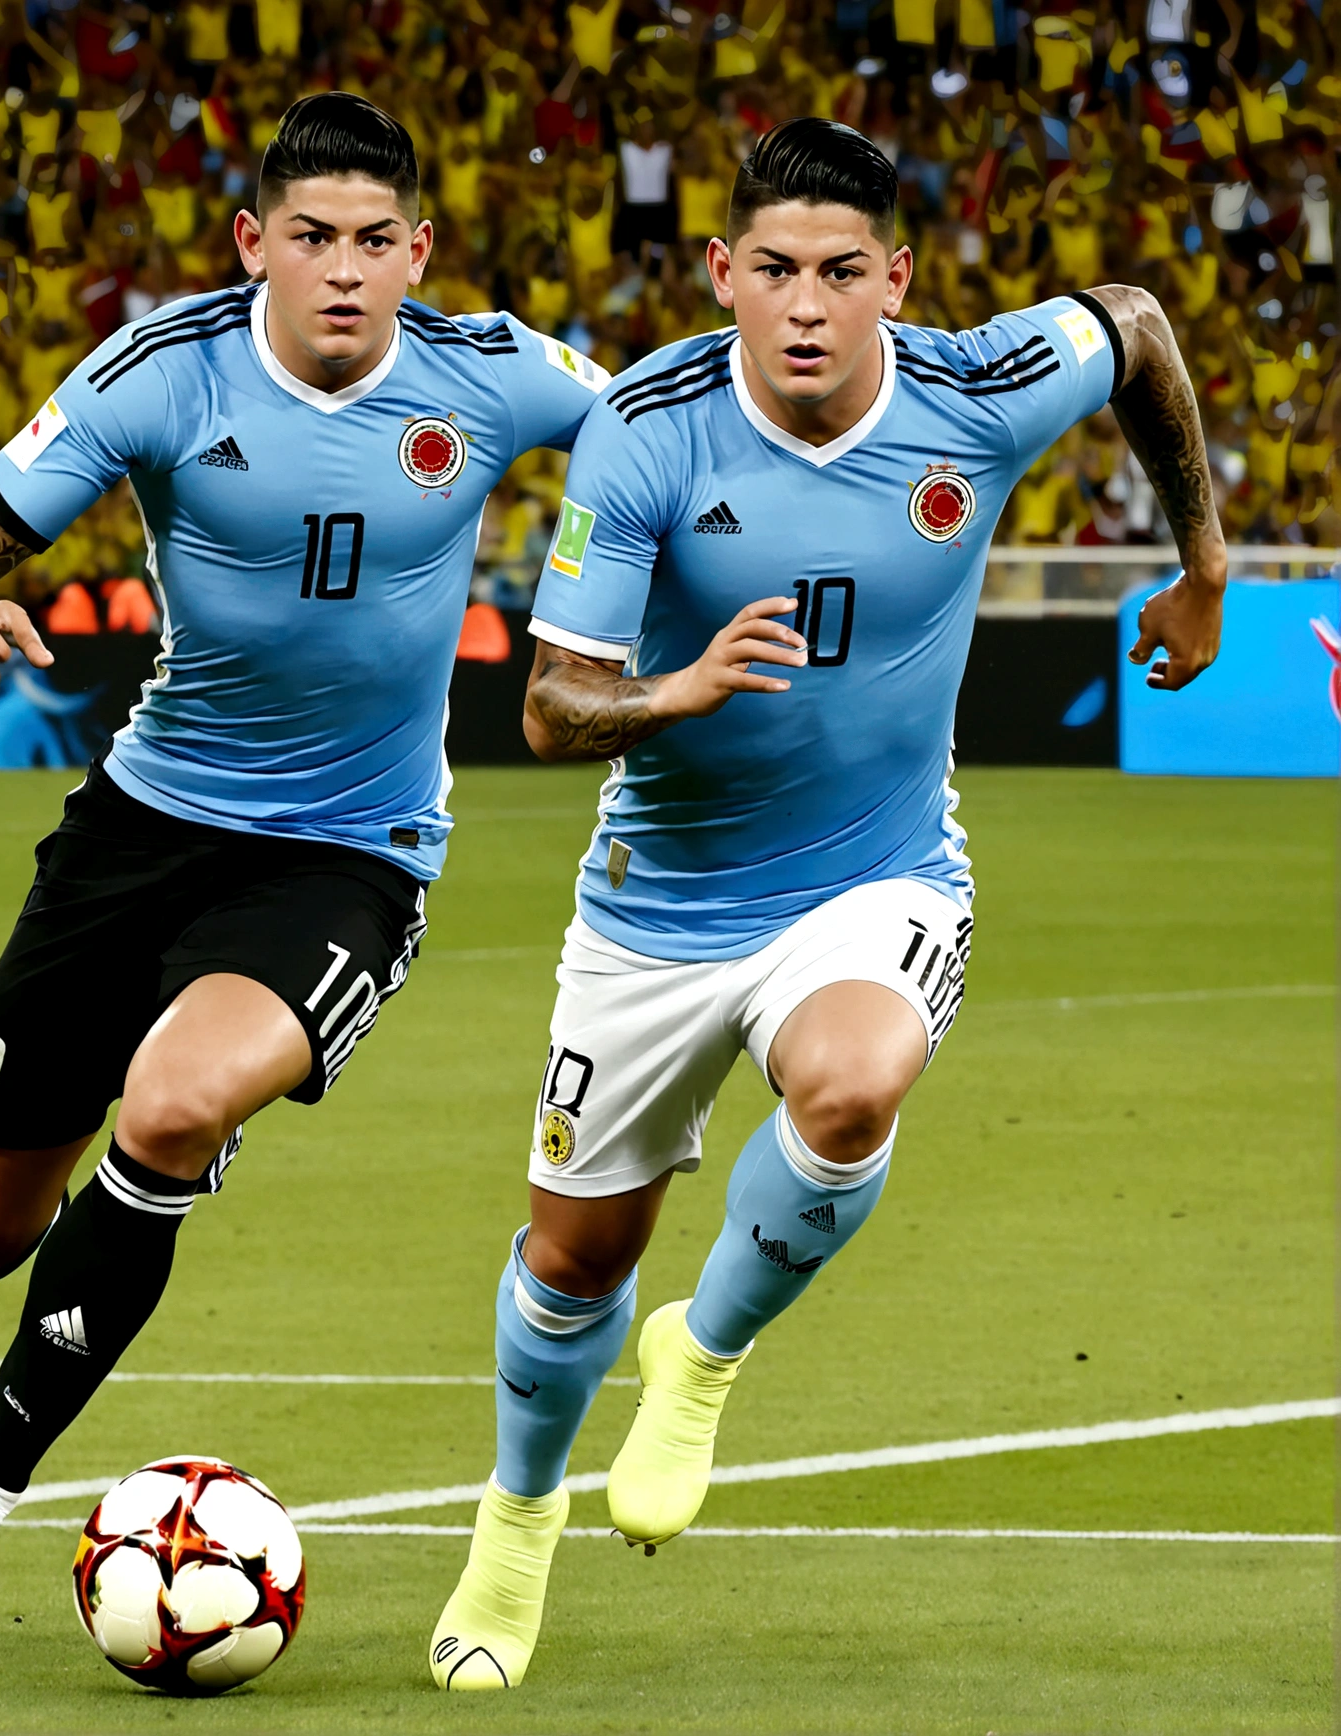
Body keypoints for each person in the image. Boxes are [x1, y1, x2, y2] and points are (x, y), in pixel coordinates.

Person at [430, 116, 1226, 1691]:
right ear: (724, 274)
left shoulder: (976, 395)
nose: (806, 306)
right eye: (776, 271)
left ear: (897, 282)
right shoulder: (648, 430)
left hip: (876, 875)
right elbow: (550, 713)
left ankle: (706, 1361)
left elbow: (1134, 323)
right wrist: (683, 689)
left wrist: (1201, 559)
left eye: (842, 274)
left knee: (855, 1084)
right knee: (575, 1263)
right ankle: (514, 1527)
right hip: (659, 903)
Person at [0, 92, 609, 1626]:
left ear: (421, 249)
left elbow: (676, 437)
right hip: (138, 833)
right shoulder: (160, 371)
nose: (343, 272)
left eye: (373, 243)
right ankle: (184, 1102)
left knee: (173, 1102)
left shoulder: (494, 375)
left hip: (352, 852)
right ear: (252, 243)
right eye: (311, 239)